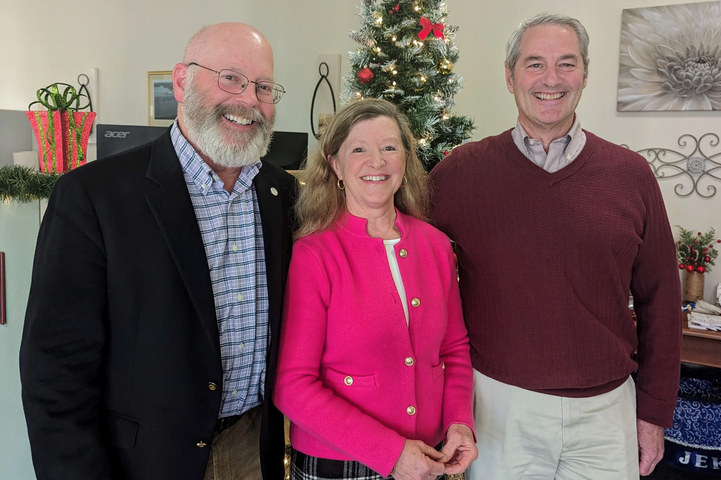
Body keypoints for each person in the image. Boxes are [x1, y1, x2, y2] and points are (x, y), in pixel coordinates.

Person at [19, 22, 297, 480]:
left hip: (255, 450)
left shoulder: (282, 193)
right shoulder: (93, 197)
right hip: (143, 461)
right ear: (183, 81)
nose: (249, 100)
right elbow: (55, 374)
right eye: (230, 78)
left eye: (263, 86)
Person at [428, 12, 682, 480]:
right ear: (510, 76)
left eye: (566, 64)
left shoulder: (631, 175)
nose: (551, 79)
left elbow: (662, 302)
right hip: (500, 408)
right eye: (534, 64)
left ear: (585, 74)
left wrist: (654, 412)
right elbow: (405, 263)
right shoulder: (459, 173)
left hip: (607, 413)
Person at [273, 98, 477, 480]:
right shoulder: (314, 254)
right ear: (335, 165)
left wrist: (460, 423)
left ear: (405, 160)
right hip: (338, 461)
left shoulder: (434, 245)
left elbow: (453, 350)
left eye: (388, 148)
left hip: (429, 457)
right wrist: (391, 452)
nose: (377, 162)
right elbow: (293, 386)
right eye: (359, 149)